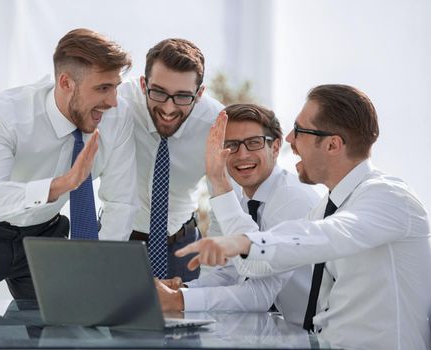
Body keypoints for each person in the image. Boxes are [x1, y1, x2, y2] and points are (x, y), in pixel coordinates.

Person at [175, 84, 431, 349]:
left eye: (299, 130)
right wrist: (219, 182)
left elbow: (331, 234)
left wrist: (242, 243)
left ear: (332, 144)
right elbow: (257, 265)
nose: (288, 139)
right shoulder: (327, 207)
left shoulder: (389, 196)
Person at [0, 28, 138, 300]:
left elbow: (121, 202)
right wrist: (62, 185)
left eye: (116, 87)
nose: (113, 101)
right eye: (102, 88)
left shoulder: (117, 117)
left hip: (43, 229)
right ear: (66, 83)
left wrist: (99, 269)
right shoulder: (9, 114)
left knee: (65, 326)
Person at [156, 104, 319, 326]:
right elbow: (231, 273)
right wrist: (181, 289)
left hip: (316, 337)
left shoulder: (292, 199)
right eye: (231, 145)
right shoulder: (242, 200)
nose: (242, 155)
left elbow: (260, 293)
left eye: (254, 143)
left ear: (275, 147)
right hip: (281, 330)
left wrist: (179, 300)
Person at [119, 38, 224, 281]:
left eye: (182, 97)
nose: (168, 108)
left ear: (199, 94)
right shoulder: (117, 103)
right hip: (119, 239)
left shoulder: (216, 123)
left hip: (182, 245)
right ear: (144, 84)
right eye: (159, 92)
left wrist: (213, 270)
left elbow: (223, 199)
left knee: (183, 317)